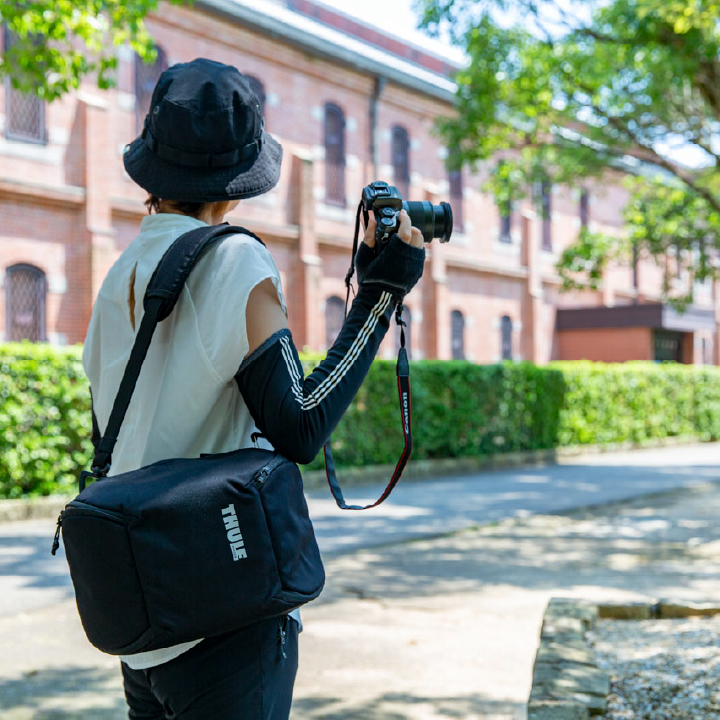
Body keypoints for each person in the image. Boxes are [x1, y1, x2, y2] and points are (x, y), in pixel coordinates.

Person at [82, 57, 425, 719]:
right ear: (235, 181)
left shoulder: (119, 271)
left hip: (144, 619)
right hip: (220, 617)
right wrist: (380, 296)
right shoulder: (233, 257)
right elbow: (299, 425)